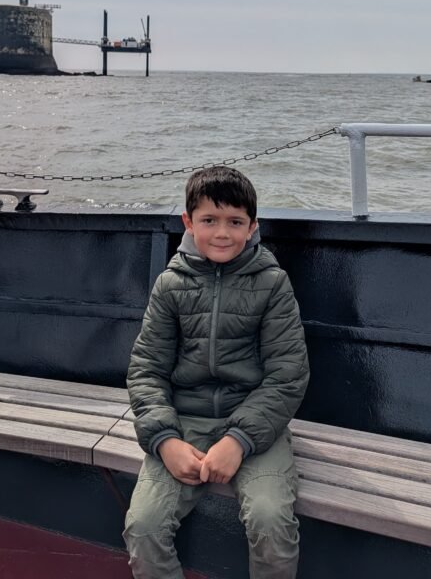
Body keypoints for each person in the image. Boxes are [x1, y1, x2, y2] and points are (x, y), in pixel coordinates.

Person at [124, 165, 310, 579]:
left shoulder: (272, 284)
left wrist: (239, 440)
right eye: (209, 220)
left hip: (256, 427)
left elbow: (288, 375)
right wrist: (165, 440)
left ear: (253, 226)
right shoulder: (170, 286)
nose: (222, 233)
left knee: (270, 521)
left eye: (235, 222)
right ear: (188, 222)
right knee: (144, 527)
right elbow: (146, 371)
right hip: (183, 422)